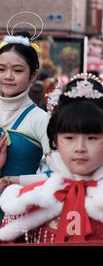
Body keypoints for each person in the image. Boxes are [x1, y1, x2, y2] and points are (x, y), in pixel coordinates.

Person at [0, 73, 103, 244]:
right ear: (54, 141)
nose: (80, 148)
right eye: (69, 138)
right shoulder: (25, 203)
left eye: (92, 138)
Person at [0, 33, 51, 192]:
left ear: (33, 74)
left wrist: (12, 181)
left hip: (21, 211)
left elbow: (60, 175)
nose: (8, 76)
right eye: (1, 69)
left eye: (18, 70)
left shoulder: (42, 120)